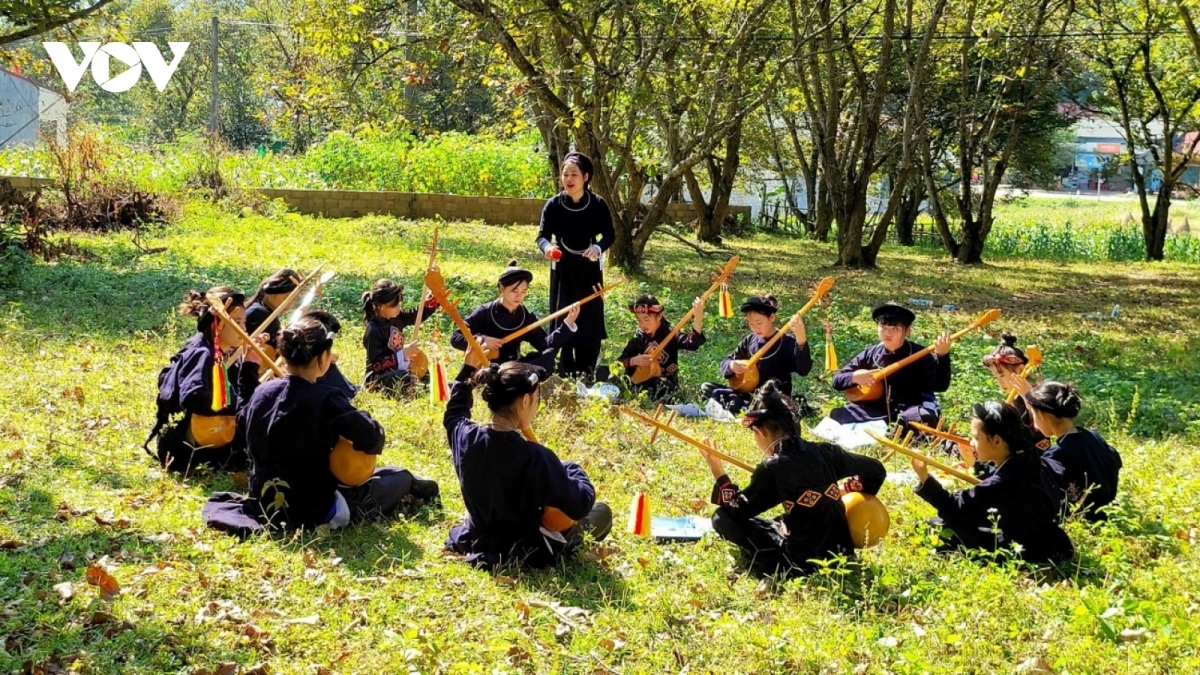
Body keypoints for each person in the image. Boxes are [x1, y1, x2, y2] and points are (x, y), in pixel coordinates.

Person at [235, 311, 438, 529]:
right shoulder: (326, 400)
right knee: (399, 477)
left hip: (263, 501)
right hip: (313, 508)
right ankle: (412, 484)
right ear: (323, 357)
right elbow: (373, 438)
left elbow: (242, 416)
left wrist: (248, 369)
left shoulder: (263, 391)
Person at [444, 347, 612, 568]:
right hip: (524, 547)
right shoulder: (537, 457)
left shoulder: (467, 437)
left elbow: (455, 413)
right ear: (524, 401)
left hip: (477, 535)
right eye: (536, 399)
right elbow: (579, 504)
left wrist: (467, 371)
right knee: (602, 513)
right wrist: (572, 469)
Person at [701, 381, 886, 578]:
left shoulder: (774, 467)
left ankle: (776, 564)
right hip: (841, 551)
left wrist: (718, 471)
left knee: (721, 517)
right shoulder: (828, 452)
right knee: (786, 519)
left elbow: (739, 511)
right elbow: (876, 470)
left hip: (801, 560)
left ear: (760, 431)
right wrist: (845, 491)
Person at [912, 401, 1074, 564]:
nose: (971, 443)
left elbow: (955, 507)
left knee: (936, 526)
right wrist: (975, 465)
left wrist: (925, 478)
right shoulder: (1031, 458)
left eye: (976, 438)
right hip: (1047, 539)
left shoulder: (1003, 482)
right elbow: (1003, 479)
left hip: (1022, 549)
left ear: (997, 441)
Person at [146, 286, 264, 474]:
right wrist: (233, 406)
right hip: (184, 450)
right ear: (218, 325)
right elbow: (192, 396)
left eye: (244, 323)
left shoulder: (216, 352)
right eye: (238, 322)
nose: (244, 329)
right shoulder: (201, 353)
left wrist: (249, 365)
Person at [535, 151, 616, 381]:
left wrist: (598, 248)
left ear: (586, 177)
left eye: (574, 174)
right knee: (563, 316)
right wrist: (548, 249)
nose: (569, 179)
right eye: (565, 174)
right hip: (563, 268)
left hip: (590, 268)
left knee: (589, 318)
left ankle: (587, 371)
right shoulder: (553, 205)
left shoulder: (598, 204)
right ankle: (564, 371)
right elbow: (541, 236)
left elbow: (609, 235)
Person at [1009, 379, 1122, 521]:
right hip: (1109, 513)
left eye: (1033, 415)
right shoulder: (1094, 436)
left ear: (1044, 415)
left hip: (1082, 521)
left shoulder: (1057, 455)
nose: (1035, 425)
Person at [829, 302, 952, 429]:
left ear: (908, 331)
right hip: (877, 407)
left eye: (895, 328)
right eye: (883, 327)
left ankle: (892, 428)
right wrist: (854, 377)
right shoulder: (870, 353)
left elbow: (940, 385)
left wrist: (942, 356)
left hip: (911, 406)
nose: (888, 333)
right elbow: (837, 380)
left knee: (922, 418)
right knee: (838, 415)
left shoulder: (919, 353)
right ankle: (886, 428)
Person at [450, 259, 580, 372]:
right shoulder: (484, 311)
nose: (519, 296)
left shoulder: (525, 316)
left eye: (523, 291)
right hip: (487, 365)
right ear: (502, 288)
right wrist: (483, 340)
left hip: (514, 366)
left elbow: (543, 343)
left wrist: (567, 324)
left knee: (549, 353)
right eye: (514, 290)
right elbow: (456, 338)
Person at [246, 268, 357, 399]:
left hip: (271, 363)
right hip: (263, 369)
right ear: (271, 293)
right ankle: (342, 395)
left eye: (293, 299)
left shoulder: (264, 310)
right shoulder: (259, 313)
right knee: (313, 361)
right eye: (286, 297)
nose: (290, 303)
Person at [700, 295, 811, 414]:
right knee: (707, 387)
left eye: (759, 322)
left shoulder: (786, 342)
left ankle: (750, 410)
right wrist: (731, 365)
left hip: (772, 398)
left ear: (772, 317)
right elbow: (726, 362)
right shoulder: (750, 340)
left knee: (775, 406)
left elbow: (803, 369)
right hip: (745, 395)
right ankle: (747, 409)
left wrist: (801, 341)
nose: (755, 328)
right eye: (751, 324)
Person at [615, 294, 706, 402]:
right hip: (639, 380)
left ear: (659, 316)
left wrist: (698, 318)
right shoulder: (639, 338)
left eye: (646, 319)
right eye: (639, 320)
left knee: (661, 384)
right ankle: (627, 393)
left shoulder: (671, 334)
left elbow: (692, 343)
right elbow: (619, 363)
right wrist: (633, 361)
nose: (643, 324)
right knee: (605, 371)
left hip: (662, 382)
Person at [360, 278, 439, 395]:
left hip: (399, 367)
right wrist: (403, 354)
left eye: (400, 305)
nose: (399, 308)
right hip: (379, 376)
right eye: (395, 306)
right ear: (381, 306)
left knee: (422, 370)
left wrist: (428, 306)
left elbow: (414, 316)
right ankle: (413, 389)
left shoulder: (396, 317)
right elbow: (377, 366)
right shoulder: (373, 331)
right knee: (400, 377)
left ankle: (430, 387)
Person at [981, 333, 1049, 451]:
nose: (1000, 382)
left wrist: (1028, 398)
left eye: (1002, 375)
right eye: (996, 378)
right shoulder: (1014, 400)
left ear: (1021, 370)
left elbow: (1044, 427)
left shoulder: (1038, 396)